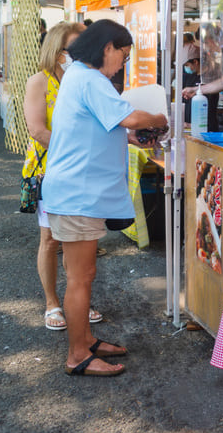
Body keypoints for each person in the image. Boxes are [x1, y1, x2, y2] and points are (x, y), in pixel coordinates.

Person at [41, 20, 168, 376]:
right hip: (77, 194)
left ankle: (86, 340)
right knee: (80, 277)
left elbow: (99, 127)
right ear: (108, 47)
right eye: (123, 56)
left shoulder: (79, 77)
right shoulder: (89, 79)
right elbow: (129, 117)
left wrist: (128, 137)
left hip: (77, 193)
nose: (122, 66)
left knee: (84, 274)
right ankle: (77, 354)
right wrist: (161, 116)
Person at [23, 21, 109, 333]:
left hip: (84, 171)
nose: (77, 54)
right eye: (71, 49)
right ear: (57, 51)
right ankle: (51, 303)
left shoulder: (87, 79)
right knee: (50, 238)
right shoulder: (40, 81)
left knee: (80, 239)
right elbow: (37, 130)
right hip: (50, 170)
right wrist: (74, 151)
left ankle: (78, 300)